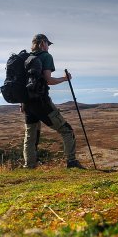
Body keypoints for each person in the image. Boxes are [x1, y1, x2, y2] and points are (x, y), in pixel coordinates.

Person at [21, 34, 85, 169]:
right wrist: (64, 79)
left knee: (30, 134)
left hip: (27, 103)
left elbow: (23, 83)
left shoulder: (25, 58)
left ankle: (29, 166)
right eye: (48, 44)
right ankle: (71, 162)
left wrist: (22, 103)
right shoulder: (46, 56)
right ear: (42, 43)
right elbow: (48, 80)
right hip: (41, 102)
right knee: (66, 130)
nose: (48, 47)